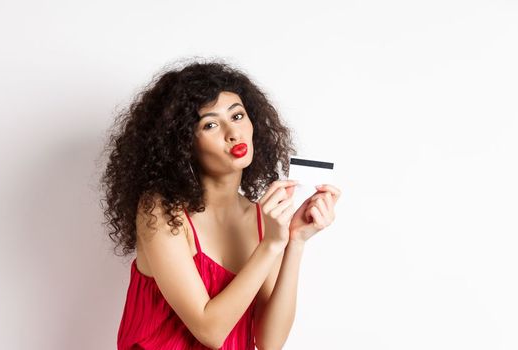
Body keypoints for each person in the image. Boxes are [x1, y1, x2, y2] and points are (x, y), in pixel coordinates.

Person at [100, 58, 341, 349]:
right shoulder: (161, 210)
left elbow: (268, 342)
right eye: (211, 124)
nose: (233, 133)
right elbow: (210, 331)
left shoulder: (262, 217)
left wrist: (294, 241)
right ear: (183, 142)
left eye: (237, 116)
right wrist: (269, 246)